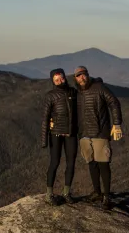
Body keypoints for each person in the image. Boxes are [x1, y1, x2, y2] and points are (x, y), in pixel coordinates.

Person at [74, 65, 123, 209]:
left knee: (103, 164)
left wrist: (117, 123)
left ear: (88, 75)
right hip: (84, 134)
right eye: (78, 75)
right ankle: (97, 192)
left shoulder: (99, 88)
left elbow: (114, 103)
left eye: (83, 74)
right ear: (75, 78)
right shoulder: (77, 93)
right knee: (91, 163)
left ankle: (107, 196)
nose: (82, 77)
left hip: (100, 132)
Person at [41, 68, 78, 205]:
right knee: (54, 163)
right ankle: (49, 194)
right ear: (53, 81)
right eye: (56, 80)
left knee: (71, 163)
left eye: (61, 78)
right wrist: (44, 139)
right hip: (55, 133)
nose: (60, 81)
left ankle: (66, 193)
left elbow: (79, 112)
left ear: (65, 77)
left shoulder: (73, 92)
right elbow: (45, 118)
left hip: (71, 133)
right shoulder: (50, 96)